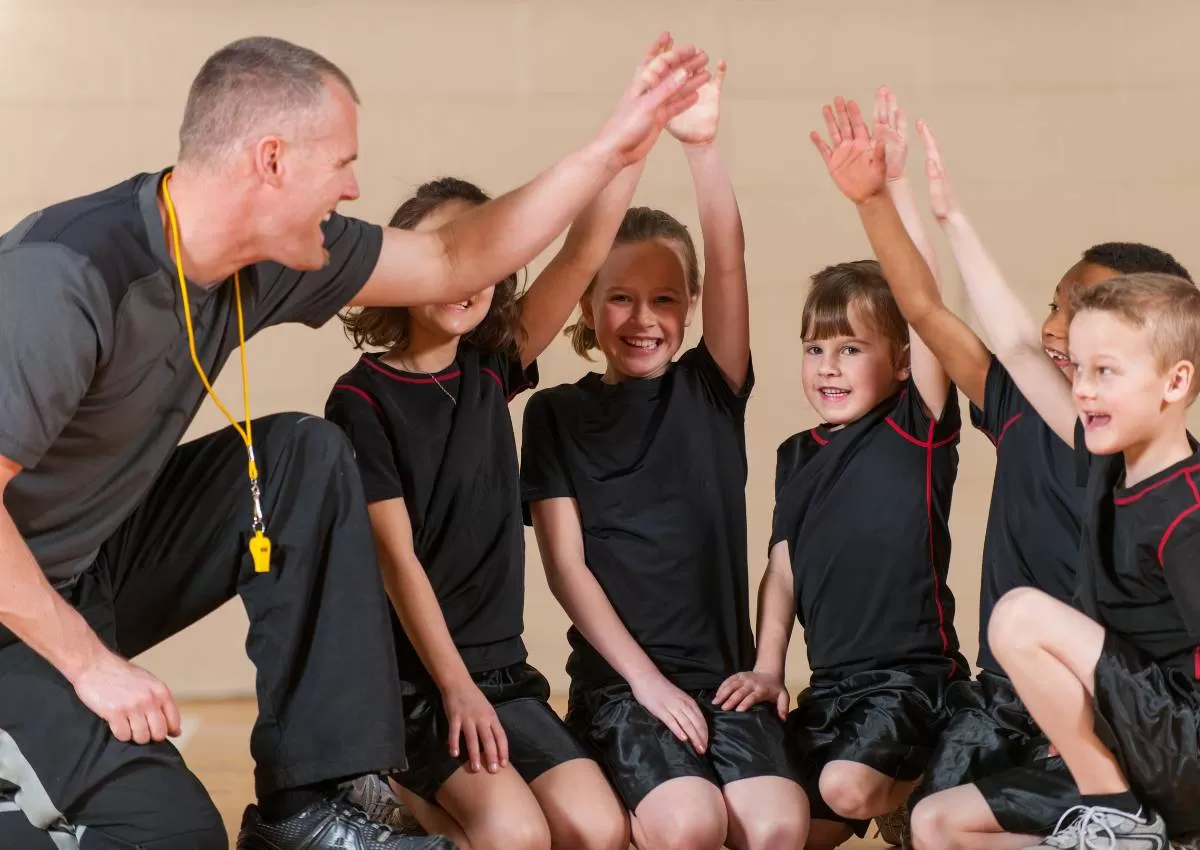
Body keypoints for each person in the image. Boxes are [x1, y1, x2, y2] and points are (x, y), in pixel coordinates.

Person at [0, 33, 709, 850]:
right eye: (341, 164)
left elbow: (453, 256)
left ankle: (303, 806)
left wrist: (613, 147)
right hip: (18, 607)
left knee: (299, 455)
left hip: (89, 572)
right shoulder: (66, 276)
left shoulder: (262, 261)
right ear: (271, 161)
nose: (355, 186)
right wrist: (92, 667)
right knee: (169, 833)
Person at [324, 36, 676, 845]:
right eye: (450, 257)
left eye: (487, 258)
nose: (470, 279)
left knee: (597, 829)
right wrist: (453, 689)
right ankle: (381, 787)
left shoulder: (494, 369)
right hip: (416, 681)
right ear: (408, 270)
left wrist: (634, 135)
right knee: (516, 836)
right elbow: (396, 563)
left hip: (504, 674)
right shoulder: (361, 401)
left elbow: (585, 246)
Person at [819, 89, 1193, 849]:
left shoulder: (1174, 492)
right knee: (935, 821)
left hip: (1149, 728)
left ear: (1167, 376)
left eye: (1102, 358)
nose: (1068, 349)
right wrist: (909, 204)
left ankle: (1121, 812)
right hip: (1039, 703)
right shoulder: (1061, 419)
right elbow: (981, 330)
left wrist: (1106, 729)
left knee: (1022, 614)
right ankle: (1113, 821)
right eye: (1062, 320)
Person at [521, 63, 809, 850]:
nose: (642, 318)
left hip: (723, 683)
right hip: (624, 688)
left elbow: (730, 253)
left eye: (664, 299)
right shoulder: (555, 414)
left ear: (690, 304)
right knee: (690, 821)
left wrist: (701, 148)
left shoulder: (711, 389)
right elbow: (566, 569)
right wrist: (645, 685)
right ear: (587, 306)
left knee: (778, 820)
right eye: (620, 297)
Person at [751, 92, 965, 850]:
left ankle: (930, 776)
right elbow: (782, 568)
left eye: (851, 348)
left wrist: (889, 191)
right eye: (817, 348)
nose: (829, 366)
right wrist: (770, 667)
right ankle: (894, 789)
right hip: (829, 687)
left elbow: (926, 304)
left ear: (901, 360)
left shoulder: (917, 427)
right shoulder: (794, 455)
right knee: (772, 828)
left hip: (914, 682)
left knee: (844, 784)